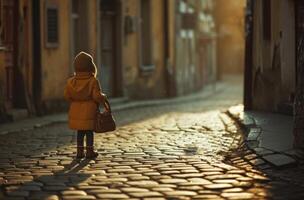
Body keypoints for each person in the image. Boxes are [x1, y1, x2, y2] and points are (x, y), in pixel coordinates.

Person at [64, 51, 107, 159]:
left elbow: (67, 96)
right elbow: (97, 96)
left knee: (80, 132)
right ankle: (89, 151)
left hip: (76, 109)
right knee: (89, 132)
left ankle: (79, 151)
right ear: (91, 66)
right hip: (89, 110)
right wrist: (103, 97)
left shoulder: (70, 82)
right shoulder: (93, 81)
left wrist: (75, 100)